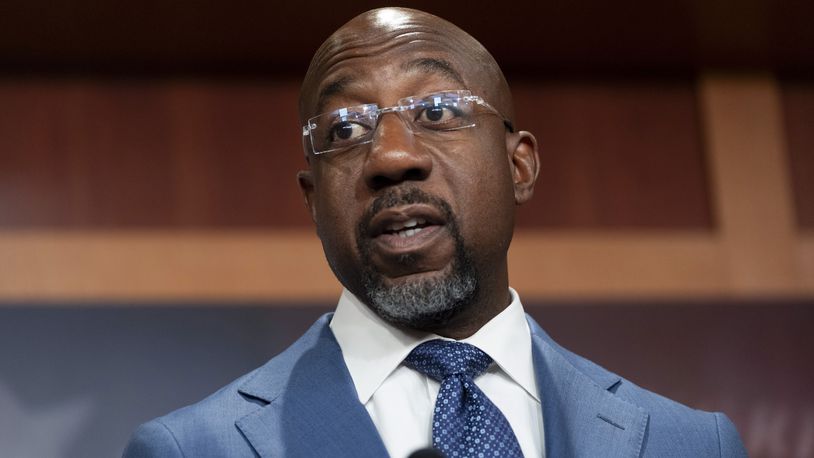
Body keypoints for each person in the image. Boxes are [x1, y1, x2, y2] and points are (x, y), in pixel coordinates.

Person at [124, 7, 747, 458]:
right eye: (344, 129)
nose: (391, 157)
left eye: (438, 112)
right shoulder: (193, 449)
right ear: (313, 201)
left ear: (519, 166)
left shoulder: (690, 445)